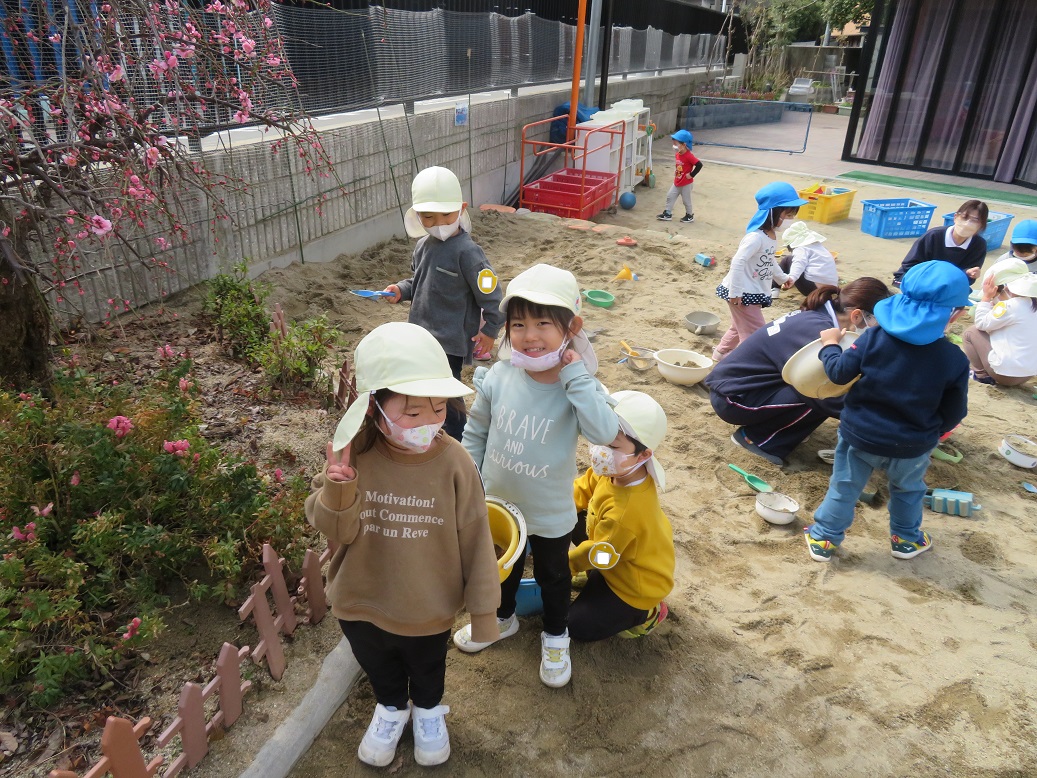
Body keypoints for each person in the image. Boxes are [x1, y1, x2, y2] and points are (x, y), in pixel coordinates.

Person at [304, 322, 500, 768]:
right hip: (360, 599)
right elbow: (335, 530)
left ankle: (428, 710)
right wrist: (339, 486)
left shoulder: (455, 462)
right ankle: (392, 707)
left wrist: (484, 612)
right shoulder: (354, 454)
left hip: (427, 606)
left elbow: (476, 539)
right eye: (412, 414)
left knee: (428, 667)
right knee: (379, 664)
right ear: (374, 406)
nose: (428, 423)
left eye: (438, 408)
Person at [452, 263, 619, 689]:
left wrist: (576, 374)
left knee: (554, 576)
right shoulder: (500, 375)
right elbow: (477, 432)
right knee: (500, 568)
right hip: (498, 504)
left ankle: (556, 635)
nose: (530, 335)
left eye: (544, 323)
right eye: (519, 324)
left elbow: (604, 433)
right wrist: (472, 483)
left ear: (571, 327)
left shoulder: (577, 386)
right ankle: (503, 618)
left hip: (549, 511)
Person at [803, 261, 970, 563]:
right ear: (954, 314)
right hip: (913, 443)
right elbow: (955, 411)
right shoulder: (954, 358)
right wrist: (933, 433)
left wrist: (829, 345)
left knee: (844, 486)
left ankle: (824, 538)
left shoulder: (874, 337)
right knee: (908, 490)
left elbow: (838, 373)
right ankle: (905, 540)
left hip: (860, 434)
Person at [706, 278, 891, 466]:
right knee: (822, 391)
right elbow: (830, 395)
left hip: (739, 385)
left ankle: (782, 427)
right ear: (857, 315)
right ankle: (757, 440)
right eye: (876, 322)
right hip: (733, 398)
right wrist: (876, 421)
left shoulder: (820, 317)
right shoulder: (818, 331)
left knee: (825, 387)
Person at [384, 166, 505, 440]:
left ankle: (459, 439)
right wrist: (400, 290)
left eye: (447, 215)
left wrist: (490, 331)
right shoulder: (422, 246)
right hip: (420, 335)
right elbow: (419, 280)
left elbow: (493, 295)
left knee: (447, 393)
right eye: (428, 216)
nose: (438, 222)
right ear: (417, 215)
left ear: (461, 209)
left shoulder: (469, 253)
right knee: (423, 389)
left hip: (450, 341)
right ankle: (430, 431)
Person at [568, 390, 674, 641]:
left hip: (633, 585)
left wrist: (565, 566)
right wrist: (552, 512)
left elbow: (600, 554)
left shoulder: (627, 513)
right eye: (600, 437)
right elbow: (582, 489)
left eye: (613, 446)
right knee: (567, 516)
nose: (600, 451)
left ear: (644, 454)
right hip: (613, 552)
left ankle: (648, 613)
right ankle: (594, 578)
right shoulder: (615, 469)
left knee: (574, 627)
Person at [712, 182, 808, 362]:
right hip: (742, 293)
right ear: (773, 213)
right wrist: (735, 291)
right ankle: (740, 364)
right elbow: (738, 261)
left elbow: (769, 260)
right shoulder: (755, 237)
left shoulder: (770, 236)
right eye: (788, 215)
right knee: (755, 334)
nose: (790, 220)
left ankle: (720, 353)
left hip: (752, 290)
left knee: (739, 327)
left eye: (792, 215)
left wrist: (783, 278)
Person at [962, 262, 1037, 386]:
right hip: (1027, 374)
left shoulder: (1011, 305)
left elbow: (981, 323)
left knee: (971, 332)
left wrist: (986, 298)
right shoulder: (1031, 304)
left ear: (1008, 289)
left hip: (1005, 375)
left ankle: (980, 375)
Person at [891, 199, 989, 287]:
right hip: (917, 279)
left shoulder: (979, 245)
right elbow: (909, 265)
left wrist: (968, 274)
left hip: (947, 284)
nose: (967, 223)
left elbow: (967, 279)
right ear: (955, 217)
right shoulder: (934, 235)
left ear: (981, 225)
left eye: (974, 221)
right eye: (964, 217)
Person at [778, 221, 839, 296]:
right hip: (831, 289)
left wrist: (792, 278)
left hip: (814, 289)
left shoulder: (801, 248)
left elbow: (799, 263)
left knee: (787, 260)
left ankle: (774, 288)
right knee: (805, 265)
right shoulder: (819, 247)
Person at [656, 129, 702, 223]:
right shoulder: (677, 154)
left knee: (686, 200)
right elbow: (680, 165)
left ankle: (689, 215)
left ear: (684, 145)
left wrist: (691, 175)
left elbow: (699, 165)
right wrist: (676, 171)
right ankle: (667, 213)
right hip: (677, 181)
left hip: (686, 183)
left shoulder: (689, 156)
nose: (674, 146)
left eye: (676, 144)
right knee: (670, 196)